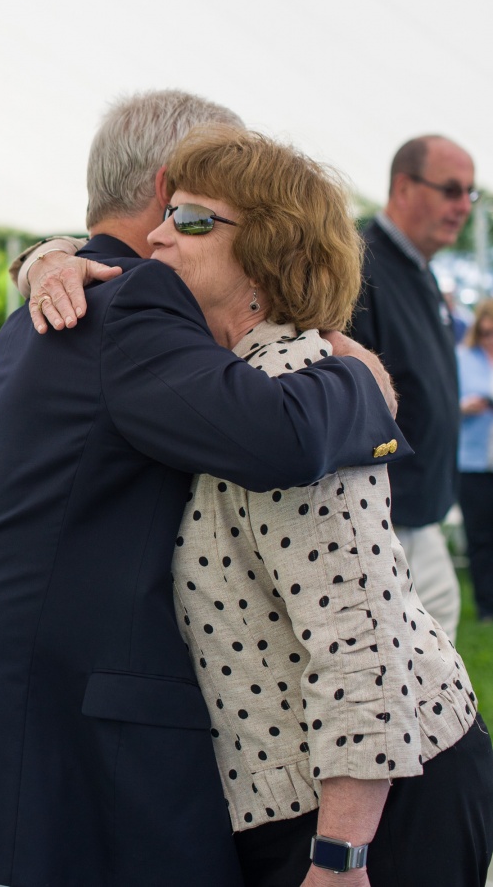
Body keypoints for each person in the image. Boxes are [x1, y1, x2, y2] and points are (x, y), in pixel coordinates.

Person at [0, 91, 406, 887]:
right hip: (59, 764)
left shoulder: (36, 312)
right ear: (169, 185)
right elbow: (281, 437)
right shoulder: (137, 296)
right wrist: (362, 382)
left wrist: (38, 256)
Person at [158, 127, 492, 887]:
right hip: (314, 801)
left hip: (376, 811)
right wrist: (44, 261)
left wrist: (340, 858)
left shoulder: (293, 392)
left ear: (268, 254)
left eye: (190, 219)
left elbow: (358, 636)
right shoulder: (239, 376)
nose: (158, 234)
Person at [350, 135, 479, 643]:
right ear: (403, 187)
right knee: (411, 661)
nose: (462, 207)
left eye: (470, 194)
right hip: (387, 516)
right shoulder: (360, 264)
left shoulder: (418, 268)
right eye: (450, 190)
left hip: (420, 511)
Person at [457, 298, 493, 622]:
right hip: (473, 459)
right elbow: (443, 404)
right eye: (485, 332)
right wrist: (465, 407)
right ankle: (486, 607)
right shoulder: (462, 359)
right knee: (480, 535)